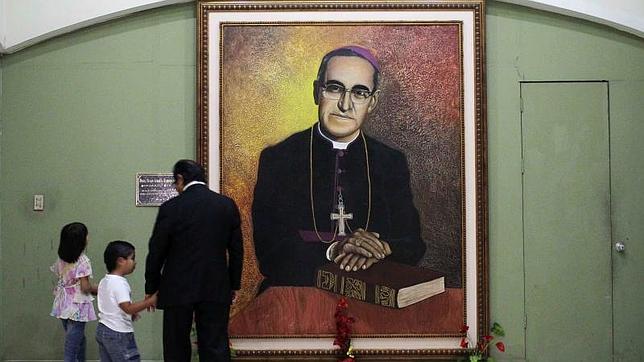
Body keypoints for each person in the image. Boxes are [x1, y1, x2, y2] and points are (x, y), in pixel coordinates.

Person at [252, 46, 426, 291]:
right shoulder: (279, 158)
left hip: (370, 296)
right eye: (334, 88)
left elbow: (413, 244)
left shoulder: (390, 161)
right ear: (316, 92)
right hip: (296, 295)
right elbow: (270, 254)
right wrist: (334, 250)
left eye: (359, 92)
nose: (345, 104)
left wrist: (379, 248)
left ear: (372, 102)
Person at [145, 159, 243, 362]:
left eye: (176, 183)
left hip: (176, 287)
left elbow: (156, 251)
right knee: (215, 344)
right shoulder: (226, 205)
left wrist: (152, 286)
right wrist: (233, 284)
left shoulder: (170, 208)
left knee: (176, 346)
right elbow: (236, 250)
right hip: (215, 285)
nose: (176, 188)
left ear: (180, 178)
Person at [96, 241, 157, 362]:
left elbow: (112, 303)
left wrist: (131, 313)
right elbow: (127, 307)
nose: (135, 262)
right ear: (120, 261)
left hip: (103, 329)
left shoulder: (105, 280)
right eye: (132, 258)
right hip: (118, 333)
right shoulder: (119, 283)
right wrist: (150, 301)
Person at [50, 222, 98, 362]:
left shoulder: (61, 259)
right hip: (77, 306)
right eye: (86, 234)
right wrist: (100, 288)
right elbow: (85, 287)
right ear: (81, 240)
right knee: (71, 348)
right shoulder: (83, 261)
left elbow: (62, 278)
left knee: (79, 340)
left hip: (63, 304)